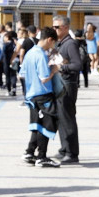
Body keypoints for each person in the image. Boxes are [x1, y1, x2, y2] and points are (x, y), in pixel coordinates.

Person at [22, 26, 59, 166]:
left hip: (31, 95)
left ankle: (30, 152)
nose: (53, 46)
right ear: (49, 40)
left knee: (37, 125)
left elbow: (22, 74)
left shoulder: (30, 53)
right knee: (47, 125)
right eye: (53, 43)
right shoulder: (41, 54)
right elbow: (44, 78)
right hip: (43, 95)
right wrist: (53, 70)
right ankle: (41, 156)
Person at [51, 16, 84, 162]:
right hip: (60, 84)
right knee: (61, 119)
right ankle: (64, 148)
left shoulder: (70, 44)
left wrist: (62, 67)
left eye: (57, 27)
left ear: (65, 27)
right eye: (53, 27)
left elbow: (77, 65)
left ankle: (72, 153)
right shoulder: (61, 44)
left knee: (68, 119)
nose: (54, 29)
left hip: (68, 85)